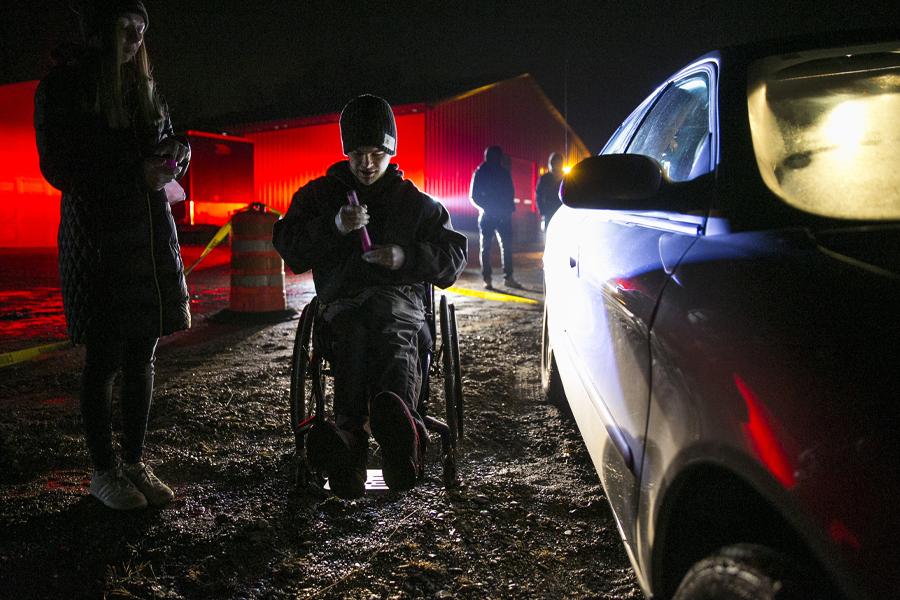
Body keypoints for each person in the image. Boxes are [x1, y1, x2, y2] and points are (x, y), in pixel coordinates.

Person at [34, 0, 190, 510]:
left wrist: (175, 155)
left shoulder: (143, 88)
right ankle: (104, 471)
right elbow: (61, 167)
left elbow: (165, 139)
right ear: (100, 32)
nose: (134, 39)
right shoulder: (65, 89)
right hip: (98, 241)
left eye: (141, 30)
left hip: (147, 237)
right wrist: (136, 173)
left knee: (142, 354)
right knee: (103, 358)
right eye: (125, 28)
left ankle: (134, 461)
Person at [272, 94, 467, 499]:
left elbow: (453, 254)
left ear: (391, 151)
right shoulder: (321, 197)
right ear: (346, 152)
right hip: (343, 304)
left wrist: (405, 256)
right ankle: (350, 443)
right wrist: (334, 227)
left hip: (401, 305)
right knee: (351, 337)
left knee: (391, 333)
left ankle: (398, 430)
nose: (366, 164)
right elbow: (289, 245)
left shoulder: (413, 203)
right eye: (358, 153)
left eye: (377, 153)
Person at [469, 145, 521, 289]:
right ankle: (491, 279)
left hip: (500, 215)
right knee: (490, 248)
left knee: (500, 248)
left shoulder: (499, 173)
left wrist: (508, 210)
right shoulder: (481, 173)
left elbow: (510, 193)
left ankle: (502, 278)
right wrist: (487, 209)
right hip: (489, 216)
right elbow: (474, 196)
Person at [535, 152, 564, 230]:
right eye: (555, 162)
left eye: (558, 163)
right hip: (549, 212)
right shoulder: (545, 178)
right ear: (551, 164)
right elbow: (538, 195)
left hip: (562, 212)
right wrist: (542, 210)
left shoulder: (566, 178)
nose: (556, 165)